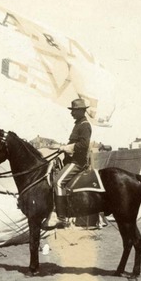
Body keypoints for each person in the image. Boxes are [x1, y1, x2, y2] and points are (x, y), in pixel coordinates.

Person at [43, 98, 92, 229]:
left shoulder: (85, 125)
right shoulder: (78, 124)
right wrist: (60, 146)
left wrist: (65, 148)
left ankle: (61, 218)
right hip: (71, 160)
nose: (72, 113)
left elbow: (83, 145)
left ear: (82, 111)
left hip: (77, 162)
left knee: (58, 182)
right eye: (72, 111)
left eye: (74, 111)